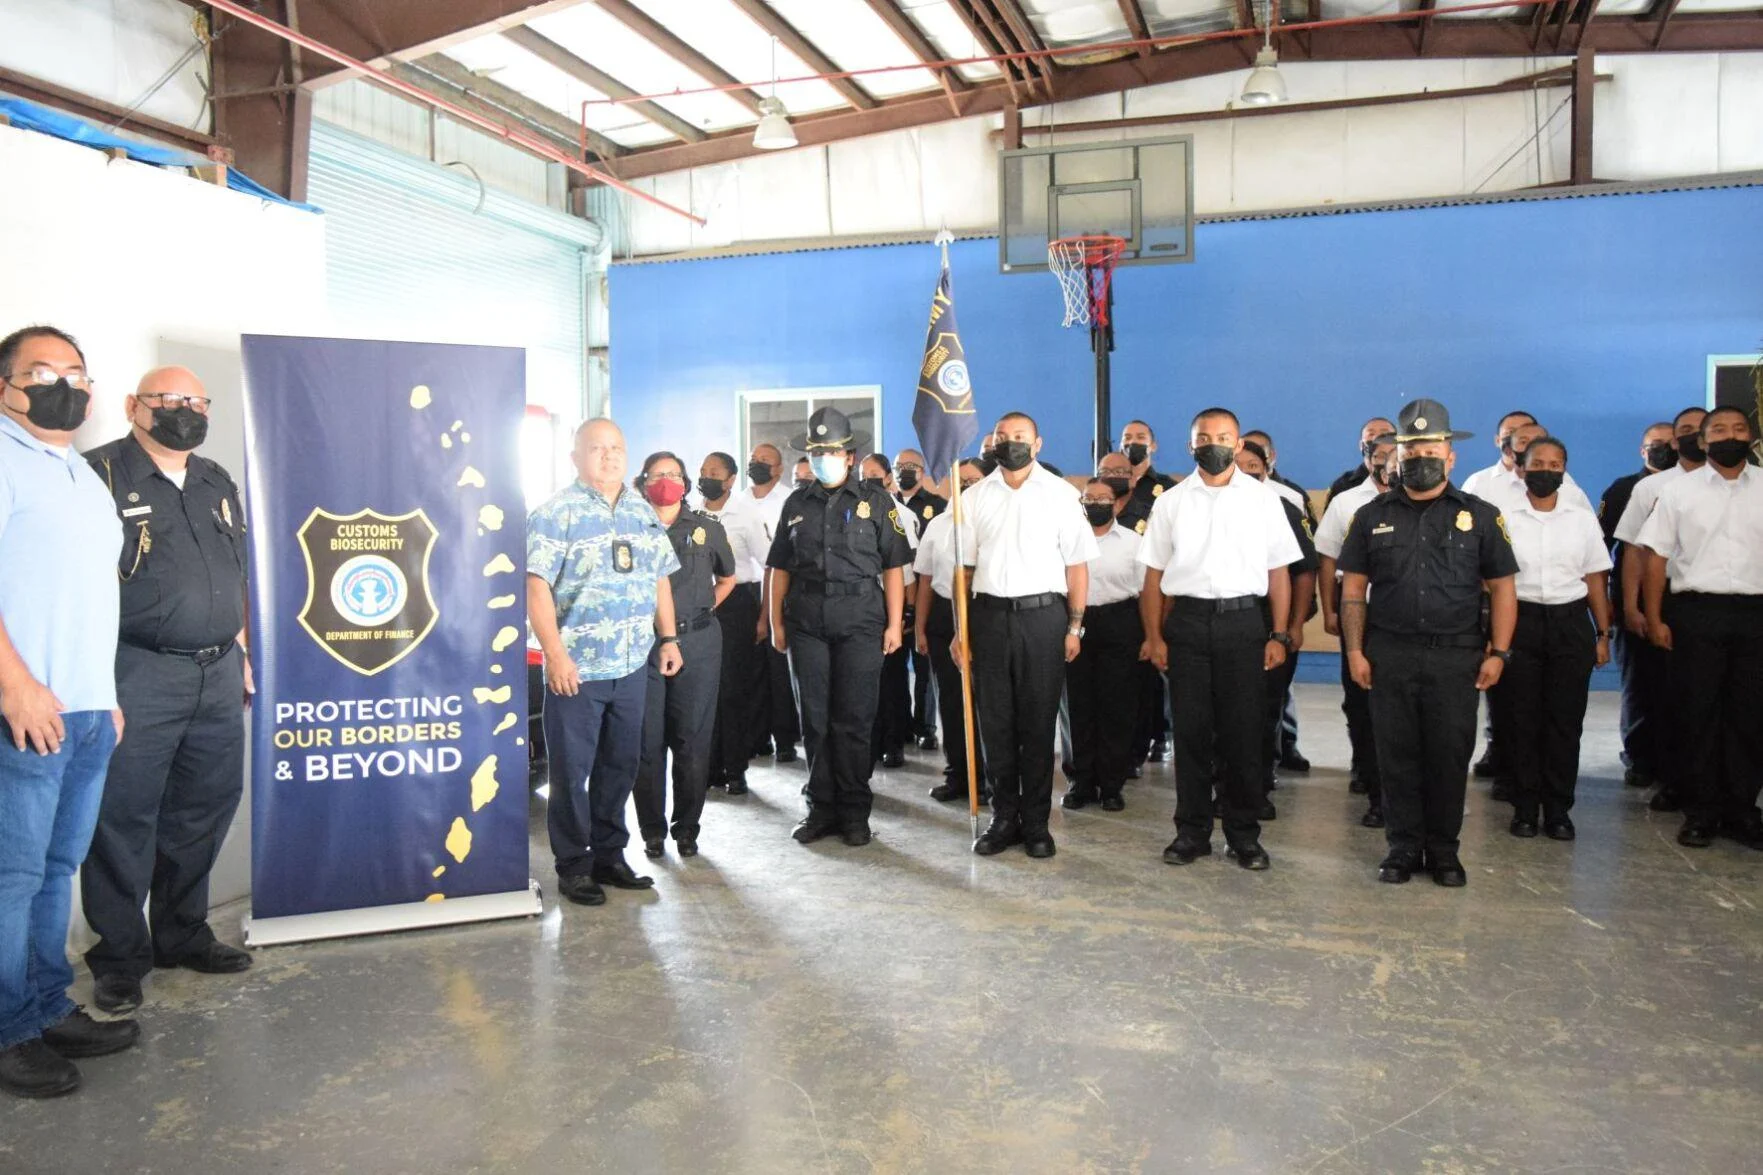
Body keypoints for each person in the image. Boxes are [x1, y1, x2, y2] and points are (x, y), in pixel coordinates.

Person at [79, 366, 252, 1019]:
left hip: (216, 669)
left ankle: (182, 933)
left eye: (195, 401)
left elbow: (237, 570)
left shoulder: (216, 481)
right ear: (133, 406)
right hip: (137, 670)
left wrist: (244, 646)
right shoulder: (98, 477)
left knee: (203, 806)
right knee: (123, 816)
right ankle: (120, 959)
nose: (184, 410)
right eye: (168, 400)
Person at [0, 325, 136, 1099]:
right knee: (11, 876)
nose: (65, 385)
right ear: (6, 386)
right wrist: (16, 685)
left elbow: (89, 597)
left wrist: (105, 695)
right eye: (42, 371)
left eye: (76, 372)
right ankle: (9, 1027)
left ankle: (45, 1004)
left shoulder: (82, 473)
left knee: (57, 870)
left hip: (86, 708)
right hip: (26, 708)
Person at [1338, 399, 1518, 888]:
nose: (1422, 456)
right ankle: (1401, 848)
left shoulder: (1481, 516)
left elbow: (1502, 587)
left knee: (1447, 753)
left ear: (1450, 454)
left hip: (1456, 655)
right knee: (1394, 753)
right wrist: (1355, 651)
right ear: (1397, 452)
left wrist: (1498, 652)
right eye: (1412, 447)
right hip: (1389, 652)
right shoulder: (1370, 515)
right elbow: (1353, 588)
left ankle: (1443, 851)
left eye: (1431, 446)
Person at [527, 418, 682, 907]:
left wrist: (670, 638)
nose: (609, 456)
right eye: (597, 448)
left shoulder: (642, 510)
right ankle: (573, 865)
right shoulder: (556, 513)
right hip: (577, 669)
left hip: (632, 664)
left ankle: (609, 856)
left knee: (620, 764)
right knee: (571, 773)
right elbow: (535, 587)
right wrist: (555, 655)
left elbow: (660, 578)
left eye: (617, 448)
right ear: (575, 456)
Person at [1138, 408, 1298, 871]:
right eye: (1203, 436)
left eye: (1223, 436)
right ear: (1190, 445)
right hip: (1186, 626)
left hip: (1244, 625)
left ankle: (1244, 835)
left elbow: (1279, 572)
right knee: (1189, 734)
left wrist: (1279, 634)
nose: (1213, 443)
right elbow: (1153, 577)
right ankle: (1191, 832)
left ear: (1239, 442)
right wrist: (1154, 636)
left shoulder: (1263, 500)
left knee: (1243, 735)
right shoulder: (1170, 502)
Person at [766, 408, 910, 847]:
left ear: (850, 455)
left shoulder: (877, 502)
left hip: (861, 621)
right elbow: (779, 568)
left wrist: (895, 625)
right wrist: (774, 621)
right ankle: (820, 808)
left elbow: (894, 568)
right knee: (815, 719)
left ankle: (854, 811)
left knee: (854, 719)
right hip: (807, 621)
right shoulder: (796, 503)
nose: (824, 457)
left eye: (832, 450)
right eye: (817, 451)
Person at [958, 413, 1097, 859]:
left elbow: (1077, 566)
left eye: (1019, 437)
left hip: (1044, 620)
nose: (1011, 443)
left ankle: (1036, 823)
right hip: (990, 618)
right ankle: (1004, 818)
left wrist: (1074, 626)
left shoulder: (1061, 495)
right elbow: (963, 570)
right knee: (995, 724)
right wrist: (961, 631)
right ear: (992, 443)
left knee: (1038, 724)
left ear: (1037, 443)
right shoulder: (975, 496)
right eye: (1003, 437)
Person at [1637, 406, 1763, 850]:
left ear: (1750, 436)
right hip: (1696, 612)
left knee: (1750, 717)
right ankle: (1702, 812)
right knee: (1698, 714)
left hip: (1756, 615)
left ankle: (1743, 812)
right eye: (1720, 431)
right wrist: (1654, 618)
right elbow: (1656, 558)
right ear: (1704, 442)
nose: (1731, 436)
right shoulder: (1679, 492)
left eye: (1739, 429)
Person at [1496, 437, 1613, 840]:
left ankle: (1559, 809)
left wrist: (1603, 632)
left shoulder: (1580, 518)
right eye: (1538, 462)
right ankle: (1525, 808)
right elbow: (1492, 582)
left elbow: (1596, 577)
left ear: (1564, 470)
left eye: (1555, 463)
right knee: (1521, 720)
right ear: (1521, 469)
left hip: (1569, 623)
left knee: (1565, 722)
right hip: (1519, 621)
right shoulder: (1503, 517)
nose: (1547, 470)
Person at [633, 452, 735, 859]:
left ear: (686, 483)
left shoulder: (707, 529)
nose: (667, 481)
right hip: (643, 646)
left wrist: (705, 609)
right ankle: (651, 831)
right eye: (658, 475)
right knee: (647, 741)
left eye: (674, 474)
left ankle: (687, 828)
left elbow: (728, 578)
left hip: (699, 644)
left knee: (692, 740)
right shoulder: (631, 528)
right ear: (643, 483)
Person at [1611, 405, 1708, 811]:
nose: (1678, 441)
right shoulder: (1654, 488)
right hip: (1665, 598)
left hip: (1724, 605)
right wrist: (1634, 609)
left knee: (1710, 697)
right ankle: (1660, 768)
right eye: (1678, 433)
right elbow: (1633, 551)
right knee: (1657, 688)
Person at [1315, 435, 1395, 826]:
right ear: (1367, 459)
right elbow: (1328, 559)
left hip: (1403, 618)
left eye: (1394, 457)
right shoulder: (1348, 502)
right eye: (1380, 456)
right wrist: (1330, 609)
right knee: (1361, 703)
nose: (1387, 463)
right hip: (1359, 611)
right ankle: (1369, 778)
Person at [1236, 441, 1318, 819]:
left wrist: (1291, 628)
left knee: (1265, 710)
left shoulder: (1282, 506)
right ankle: (1224, 786)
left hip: (1271, 625)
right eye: (1239, 464)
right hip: (1224, 624)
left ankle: (1260, 784)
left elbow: (1302, 574)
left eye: (1253, 465)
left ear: (1266, 468)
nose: (1245, 471)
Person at [1597, 422, 1676, 791]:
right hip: (1634, 598)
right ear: (1641, 451)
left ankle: (1675, 758)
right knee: (1638, 683)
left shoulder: (1690, 487)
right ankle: (1640, 757)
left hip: (1682, 599)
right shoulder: (1624, 489)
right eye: (1654, 445)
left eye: (1671, 443)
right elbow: (1605, 549)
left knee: (1678, 685)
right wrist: (1617, 606)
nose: (1663, 449)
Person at [1062, 478, 1142, 812]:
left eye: (1103, 498)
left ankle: (1111, 784)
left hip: (1120, 622)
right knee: (1076, 706)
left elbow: (1145, 590)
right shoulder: (1067, 538)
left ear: (1116, 504)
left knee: (1116, 705)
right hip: (1074, 623)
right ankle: (1080, 782)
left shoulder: (1133, 542)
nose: (1095, 503)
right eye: (1089, 497)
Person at [915, 459, 988, 803]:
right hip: (944, 616)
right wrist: (920, 628)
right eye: (962, 480)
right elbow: (925, 580)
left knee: (987, 701)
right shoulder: (938, 525)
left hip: (985, 612)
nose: (967, 486)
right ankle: (958, 774)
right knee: (951, 700)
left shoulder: (992, 522)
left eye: (975, 480)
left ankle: (989, 777)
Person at [697, 451, 764, 796]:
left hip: (737, 605)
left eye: (714, 472)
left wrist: (766, 615)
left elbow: (769, 563)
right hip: (698, 607)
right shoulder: (691, 515)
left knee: (733, 690)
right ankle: (708, 767)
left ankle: (735, 767)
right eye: (702, 470)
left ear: (730, 479)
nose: (706, 476)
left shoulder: (745, 514)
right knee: (704, 691)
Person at [735, 443, 801, 765]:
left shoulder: (791, 500)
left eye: (765, 461)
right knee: (750, 670)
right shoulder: (738, 501)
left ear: (778, 469)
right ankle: (757, 737)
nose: (757, 464)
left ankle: (785, 737)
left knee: (779, 669)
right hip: (745, 591)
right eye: (753, 459)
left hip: (780, 590)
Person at [1100, 449, 1164, 772]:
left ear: (1134, 477)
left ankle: (1133, 755)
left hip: (1133, 613)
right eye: (1106, 471)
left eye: (1122, 473)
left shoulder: (1149, 510)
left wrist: (1153, 632)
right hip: (1089, 618)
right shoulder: (1084, 510)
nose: (1114, 477)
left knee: (1135, 692)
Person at [863, 452, 915, 770]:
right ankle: (869, 746)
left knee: (892, 682)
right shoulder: (851, 509)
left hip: (890, 606)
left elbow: (905, 571)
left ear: (887, 478)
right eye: (862, 473)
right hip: (862, 607)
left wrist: (902, 616)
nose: (867, 478)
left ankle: (893, 743)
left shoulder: (902, 516)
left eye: (873, 473)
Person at [893, 447, 945, 751]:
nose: (905, 470)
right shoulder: (881, 503)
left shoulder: (938, 506)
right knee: (895, 667)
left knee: (924, 665)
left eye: (912, 465)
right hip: (895, 596)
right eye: (900, 465)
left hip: (928, 594)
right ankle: (899, 725)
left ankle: (925, 726)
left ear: (922, 471)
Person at [1460, 409, 1537, 502]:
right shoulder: (1477, 483)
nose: (1517, 437)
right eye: (1510, 432)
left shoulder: (1557, 481)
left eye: (1524, 432)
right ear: (1497, 440)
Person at [1117, 420, 1177, 535]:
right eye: (1127, 438)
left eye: (1140, 437)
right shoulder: (1109, 486)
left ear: (1153, 446)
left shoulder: (1169, 488)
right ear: (1120, 446)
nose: (1133, 442)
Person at [1324, 417, 1395, 510]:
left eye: (1384, 433)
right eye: (1371, 434)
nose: (1377, 438)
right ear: (1361, 445)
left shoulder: (1408, 479)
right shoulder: (1342, 485)